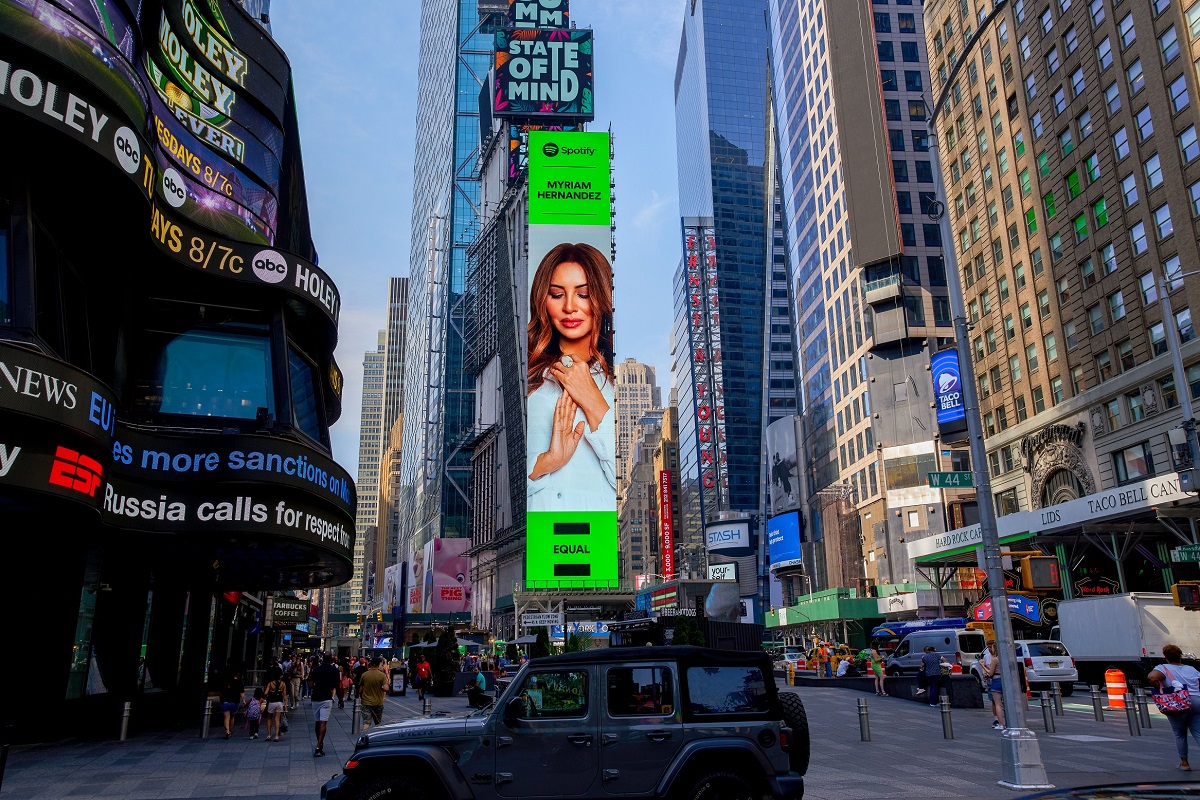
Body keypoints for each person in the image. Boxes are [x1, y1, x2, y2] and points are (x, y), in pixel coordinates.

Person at [526, 242, 617, 512]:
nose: (569, 307)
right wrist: (547, 462)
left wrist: (592, 400)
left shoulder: (616, 382)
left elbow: (632, 481)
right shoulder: (530, 380)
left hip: (598, 541)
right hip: (541, 540)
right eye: (556, 294)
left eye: (583, 294)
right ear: (543, 301)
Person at [1149, 643, 1200, 770]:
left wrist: (1160, 688)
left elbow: (1152, 677)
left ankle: (1184, 763)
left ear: (1166, 657)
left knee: (1179, 733)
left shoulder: (1163, 668)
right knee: (1198, 732)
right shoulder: (1191, 669)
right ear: (1180, 656)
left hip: (1177, 702)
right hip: (1195, 701)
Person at [309, 652, 341, 758]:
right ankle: (319, 746)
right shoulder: (335, 670)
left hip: (316, 697)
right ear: (331, 659)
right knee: (323, 723)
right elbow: (337, 685)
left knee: (317, 722)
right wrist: (340, 699)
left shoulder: (316, 669)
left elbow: (310, 684)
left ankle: (319, 742)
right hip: (327, 697)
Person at [359, 657, 388, 730]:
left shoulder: (364, 675)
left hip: (366, 702)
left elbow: (360, 689)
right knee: (378, 723)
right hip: (378, 702)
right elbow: (386, 688)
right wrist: (381, 688)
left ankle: (363, 738)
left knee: (366, 722)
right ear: (378, 665)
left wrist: (362, 697)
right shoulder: (382, 675)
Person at [218, 662, 245, 740]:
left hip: (225, 701)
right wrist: (243, 700)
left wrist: (221, 700)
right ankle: (230, 730)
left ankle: (227, 731)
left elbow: (221, 692)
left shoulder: (225, 680)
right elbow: (242, 692)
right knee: (232, 716)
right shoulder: (238, 681)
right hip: (234, 701)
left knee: (226, 717)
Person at [263, 669, 288, 742]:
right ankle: (276, 736)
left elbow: (265, 693)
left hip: (271, 703)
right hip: (279, 703)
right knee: (277, 720)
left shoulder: (270, 684)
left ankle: (269, 735)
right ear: (280, 675)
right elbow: (285, 695)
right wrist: (285, 705)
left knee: (269, 719)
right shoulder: (283, 684)